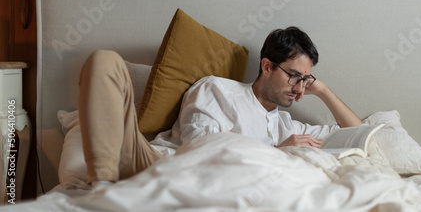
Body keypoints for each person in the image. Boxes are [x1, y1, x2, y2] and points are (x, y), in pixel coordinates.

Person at [78, 26, 362, 187]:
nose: (300, 88)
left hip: (210, 194)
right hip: (162, 168)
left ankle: (108, 191)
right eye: (294, 76)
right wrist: (277, 152)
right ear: (266, 66)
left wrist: (322, 90)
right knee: (104, 62)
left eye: (306, 80)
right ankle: (103, 186)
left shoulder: (288, 126)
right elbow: (200, 154)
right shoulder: (217, 89)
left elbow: (361, 132)